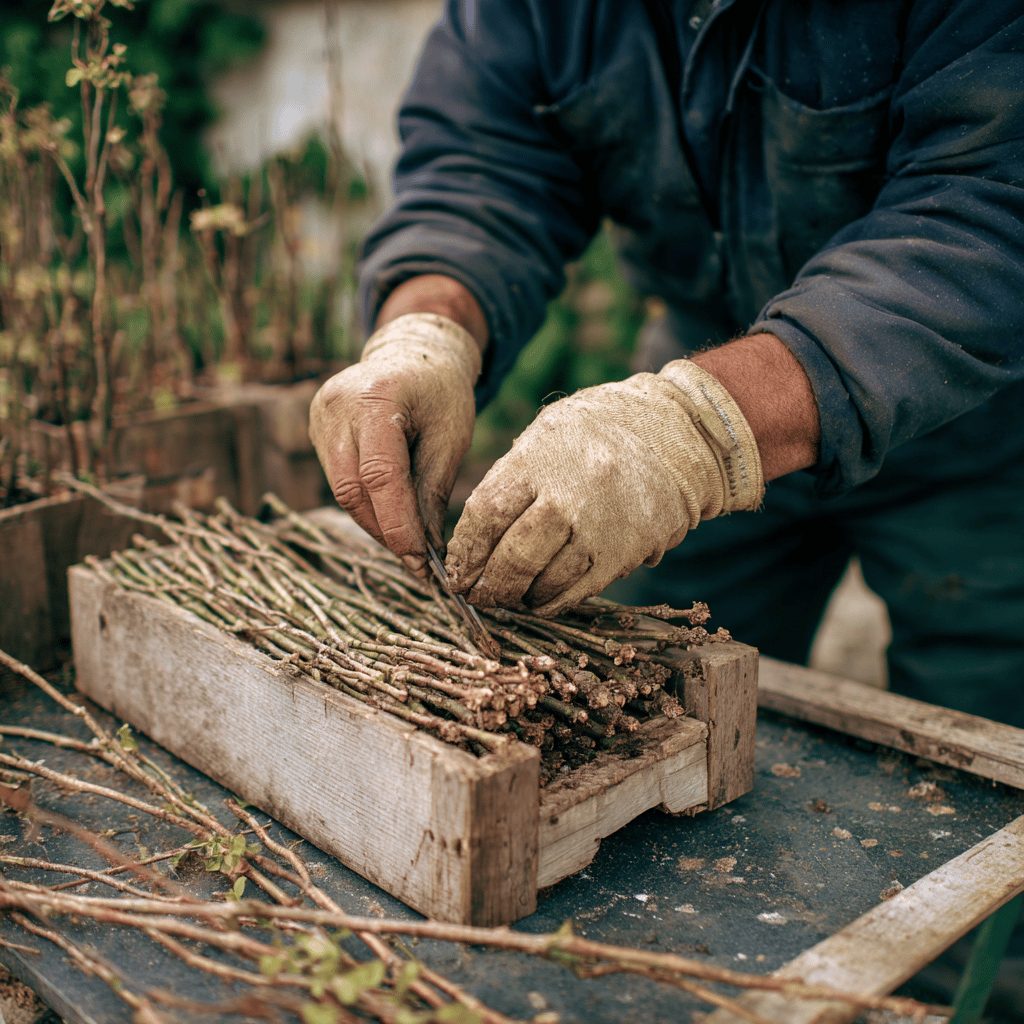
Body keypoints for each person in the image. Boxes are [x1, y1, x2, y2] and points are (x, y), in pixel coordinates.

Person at [309, 0, 1024, 726]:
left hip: (969, 410)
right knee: (659, 701)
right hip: (692, 388)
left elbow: (988, 207)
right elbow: (481, 169)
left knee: (989, 742)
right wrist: (428, 332)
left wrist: (707, 425)